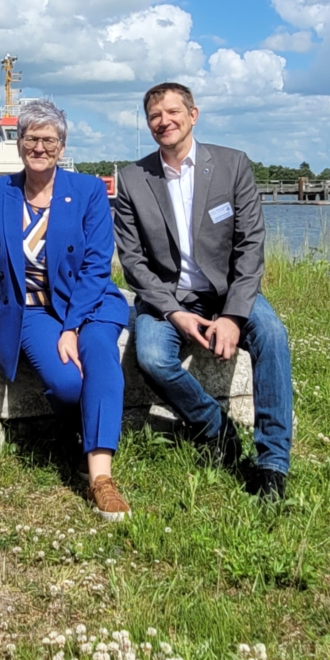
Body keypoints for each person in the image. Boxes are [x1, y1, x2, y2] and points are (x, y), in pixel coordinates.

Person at [114, 82, 293, 500]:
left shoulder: (232, 166)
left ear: (193, 115)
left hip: (228, 292)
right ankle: (215, 428)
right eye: (155, 116)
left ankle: (271, 464)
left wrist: (232, 316)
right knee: (153, 358)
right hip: (167, 299)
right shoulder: (133, 179)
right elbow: (134, 263)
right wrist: (174, 313)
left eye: (174, 112)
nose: (165, 121)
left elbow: (250, 246)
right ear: (148, 123)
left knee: (272, 336)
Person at [0, 99, 132, 520]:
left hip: (89, 305)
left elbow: (96, 265)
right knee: (68, 383)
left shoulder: (88, 191)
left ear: (62, 145)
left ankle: (100, 478)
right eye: (31, 138)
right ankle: (78, 436)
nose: (40, 147)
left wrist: (72, 326)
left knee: (101, 358)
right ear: (19, 142)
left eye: (49, 140)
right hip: (32, 310)